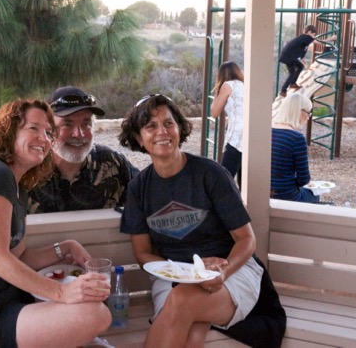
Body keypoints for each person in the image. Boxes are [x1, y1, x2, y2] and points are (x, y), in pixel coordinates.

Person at [0, 99, 111, 348]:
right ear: (10, 131)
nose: (43, 138)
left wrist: (66, 247)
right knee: (96, 315)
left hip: (5, 303)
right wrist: (62, 292)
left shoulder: (18, 187)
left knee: (92, 307)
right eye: (33, 128)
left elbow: (20, 256)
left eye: (48, 132)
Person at [118, 94, 283, 347]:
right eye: (151, 126)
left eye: (168, 123)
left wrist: (223, 270)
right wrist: (184, 273)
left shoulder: (210, 174)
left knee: (181, 301)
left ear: (179, 129)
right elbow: (142, 254)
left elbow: (246, 239)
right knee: (192, 331)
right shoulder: (139, 188)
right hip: (173, 275)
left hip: (231, 270)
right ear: (139, 138)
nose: (162, 131)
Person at [0, 86, 138, 235]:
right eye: (67, 124)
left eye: (86, 124)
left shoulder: (111, 163)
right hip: (33, 268)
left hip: (94, 265)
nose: (79, 134)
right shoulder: (25, 164)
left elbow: (145, 188)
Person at [270, 93, 319, 203]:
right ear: (300, 112)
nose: (308, 117)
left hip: (263, 192)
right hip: (286, 196)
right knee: (315, 195)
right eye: (308, 113)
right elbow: (303, 179)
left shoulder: (267, 131)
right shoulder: (297, 138)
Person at [210, 61, 244, 181]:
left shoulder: (228, 85)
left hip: (236, 137)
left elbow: (214, 112)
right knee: (243, 179)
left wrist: (217, 91)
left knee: (224, 178)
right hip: (248, 136)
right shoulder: (244, 85)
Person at [278, 25, 317, 97]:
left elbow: (301, 58)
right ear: (309, 32)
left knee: (300, 66)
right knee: (292, 73)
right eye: (313, 34)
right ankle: (283, 90)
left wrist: (306, 65)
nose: (313, 37)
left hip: (288, 55)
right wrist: (332, 39)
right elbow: (318, 42)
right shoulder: (306, 37)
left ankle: (292, 84)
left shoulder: (303, 43)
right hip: (289, 56)